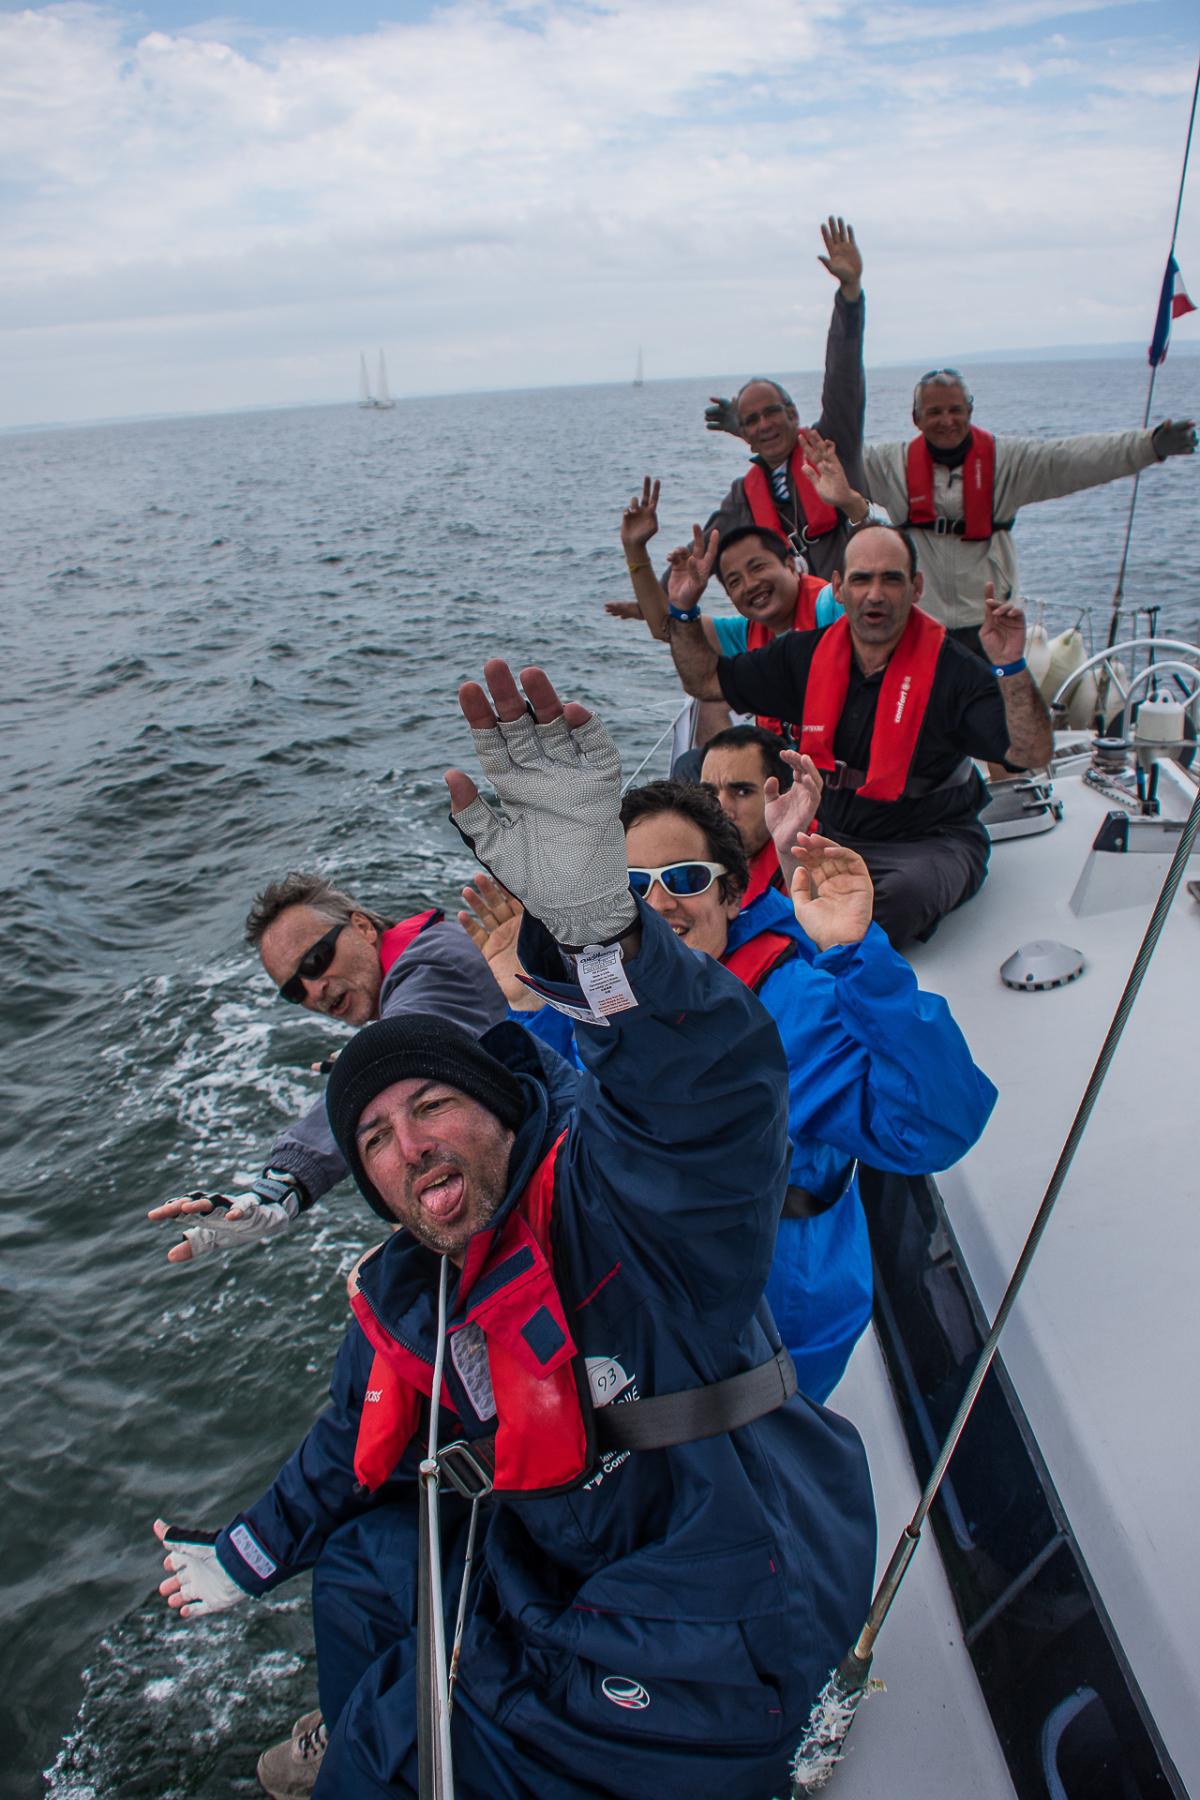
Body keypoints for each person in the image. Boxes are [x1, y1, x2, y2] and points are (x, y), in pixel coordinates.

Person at [153, 659, 877, 1800]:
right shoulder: (417, 1283)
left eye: (434, 1105)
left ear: (500, 1107)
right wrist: (244, 1558)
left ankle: (378, 1744)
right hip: (575, 1546)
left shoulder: (618, 1200)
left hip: (719, 1591)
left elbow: (699, 1096)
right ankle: (376, 1722)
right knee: (364, 1564)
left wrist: (599, 933)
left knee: (392, 1746)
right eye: (377, 1139)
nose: (410, 1146)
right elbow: (347, 1441)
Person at [457, 774, 995, 1406]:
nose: (658, 905)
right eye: (630, 887)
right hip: (634, 1298)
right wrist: (531, 1006)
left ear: (732, 895)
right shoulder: (604, 1000)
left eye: (685, 879)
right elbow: (554, 1133)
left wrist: (858, 955)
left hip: (768, 1325)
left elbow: (935, 1130)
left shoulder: (796, 1008)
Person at [664, 522, 1054, 945]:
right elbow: (705, 680)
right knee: (706, 836)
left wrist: (1011, 666)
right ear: (839, 588)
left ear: (916, 588)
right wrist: (683, 610)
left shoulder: (955, 671)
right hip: (828, 834)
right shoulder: (803, 656)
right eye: (861, 579)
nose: (875, 594)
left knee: (895, 901)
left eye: (891, 579)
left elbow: (1031, 753)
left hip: (929, 843)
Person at [147, 872, 507, 1263]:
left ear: (363, 927)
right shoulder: (419, 968)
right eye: (294, 991)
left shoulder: (436, 958)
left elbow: (401, 1044)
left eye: (316, 961)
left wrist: (284, 1184)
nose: (314, 990)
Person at [858, 369, 1197, 647]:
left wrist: (1149, 446)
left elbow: (1073, 459)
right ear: (916, 418)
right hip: (920, 622)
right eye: (934, 412)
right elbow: (835, 455)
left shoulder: (1009, 462)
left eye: (955, 410)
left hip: (991, 624)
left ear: (970, 412)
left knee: (994, 707)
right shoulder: (889, 465)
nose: (946, 420)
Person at [700, 217, 869, 581]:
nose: (764, 425)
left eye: (771, 413)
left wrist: (850, 295)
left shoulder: (831, 443)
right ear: (743, 434)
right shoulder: (743, 495)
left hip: (857, 605)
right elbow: (699, 557)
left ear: (793, 414)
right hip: (799, 614)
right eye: (752, 421)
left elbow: (843, 375)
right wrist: (652, 596)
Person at [699, 723, 799, 901]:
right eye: (710, 793)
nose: (720, 809)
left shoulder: (819, 873)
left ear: (784, 797)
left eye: (742, 792)